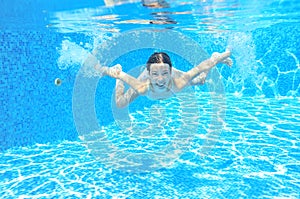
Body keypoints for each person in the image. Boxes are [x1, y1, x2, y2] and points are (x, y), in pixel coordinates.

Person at [95, 50, 232, 108]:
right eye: (155, 75)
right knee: (120, 103)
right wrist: (106, 70)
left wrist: (224, 55)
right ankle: (120, 68)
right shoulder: (143, 86)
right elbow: (117, 74)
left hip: (172, 78)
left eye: (165, 74)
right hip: (148, 77)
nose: (160, 80)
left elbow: (204, 65)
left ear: (170, 72)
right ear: (149, 74)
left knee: (201, 80)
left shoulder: (179, 82)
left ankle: (217, 55)